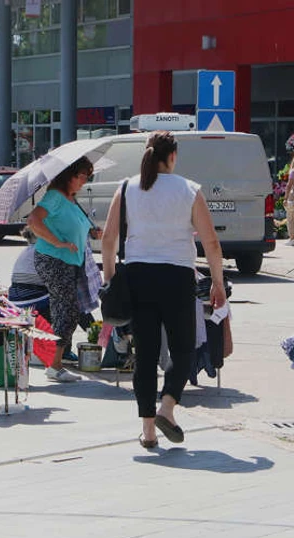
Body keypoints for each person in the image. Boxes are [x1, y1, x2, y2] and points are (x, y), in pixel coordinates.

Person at [102, 131, 227, 449]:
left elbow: (108, 239)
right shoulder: (188, 189)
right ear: (172, 157)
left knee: (144, 354)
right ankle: (167, 408)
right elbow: (210, 241)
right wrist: (216, 282)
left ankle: (148, 432)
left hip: (139, 277)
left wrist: (110, 279)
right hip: (176, 278)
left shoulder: (128, 187)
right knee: (184, 348)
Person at [26, 156, 95, 383]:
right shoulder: (55, 197)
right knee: (68, 309)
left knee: (65, 309)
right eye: (81, 176)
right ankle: (54, 364)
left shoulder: (71, 200)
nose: (84, 181)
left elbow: (76, 227)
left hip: (69, 261)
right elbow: (34, 220)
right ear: (69, 175)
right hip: (54, 259)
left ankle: (51, 361)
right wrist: (57, 242)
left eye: (87, 176)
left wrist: (93, 233)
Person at [8, 228, 51, 321]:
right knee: (72, 300)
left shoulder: (27, 251)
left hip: (14, 299)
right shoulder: (43, 250)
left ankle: (90, 330)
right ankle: (90, 330)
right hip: (32, 300)